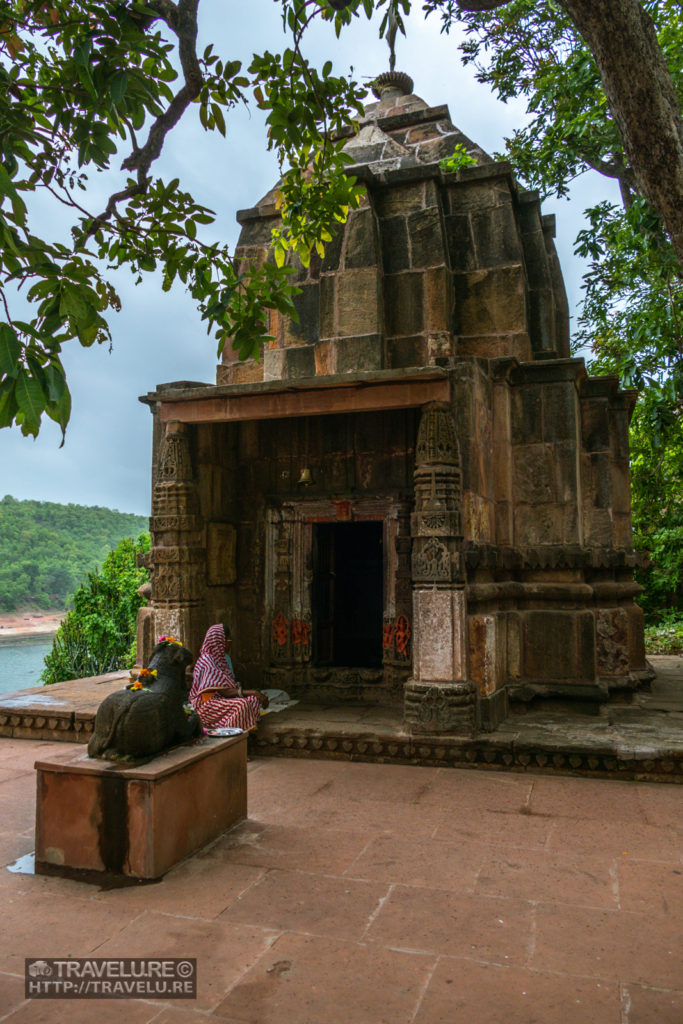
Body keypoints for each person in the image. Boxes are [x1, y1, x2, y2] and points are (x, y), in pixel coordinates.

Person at [189, 624, 268, 732]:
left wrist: (252, 694)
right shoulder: (207, 660)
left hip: (220, 700)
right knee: (242, 705)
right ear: (219, 641)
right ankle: (229, 736)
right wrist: (253, 692)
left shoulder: (221, 660)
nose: (230, 645)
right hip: (206, 705)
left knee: (252, 701)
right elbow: (224, 692)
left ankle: (244, 732)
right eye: (228, 641)